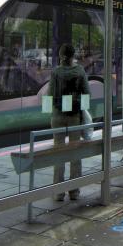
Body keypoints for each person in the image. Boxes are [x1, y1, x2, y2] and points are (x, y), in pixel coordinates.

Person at [49, 43, 90, 201]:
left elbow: (51, 94)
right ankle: (74, 191)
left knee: (58, 153)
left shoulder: (56, 72)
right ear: (73, 56)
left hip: (58, 116)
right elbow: (87, 93)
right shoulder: (80, 71)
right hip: (74, 117)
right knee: (75, 153)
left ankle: (58, 192)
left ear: (60, 56)